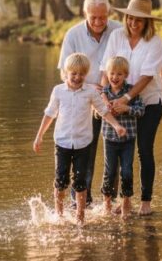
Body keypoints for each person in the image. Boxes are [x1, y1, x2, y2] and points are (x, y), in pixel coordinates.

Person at [33, 53, 127, 225]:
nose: (77, 77)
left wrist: (116, 126)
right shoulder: (58, 91)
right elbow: (49, 115)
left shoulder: (90, 92)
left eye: (81, 74)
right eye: (73, 74)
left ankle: (80, 217)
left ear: (86, 75)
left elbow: (102, 111)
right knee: (61, 180)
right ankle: (59, 216)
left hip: (83, 144)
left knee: (80, 181)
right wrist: (39, 136)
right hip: (62, 143)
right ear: (66, 73)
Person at [100, 0, 162, 216]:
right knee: (119, 153)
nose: (133, 23)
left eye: (139, 20)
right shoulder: (117, 36)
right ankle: (123, 201)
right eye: (130, 18)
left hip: (148, 102)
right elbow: (105, 69)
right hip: (117, 102)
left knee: (144, 150)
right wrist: (104, 98)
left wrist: (126, 99)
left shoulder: (155, 42)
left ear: (147, 22)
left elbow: (146, 77)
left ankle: (146, 201)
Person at [57, 0, 122, 208]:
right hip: (84, 101)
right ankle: (81, 201)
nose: (98, 22)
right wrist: (86, 87)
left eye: (102, 17)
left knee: (114, 151)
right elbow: (64, 73)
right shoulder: (73, 34)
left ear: (108, 14)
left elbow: (125, 65)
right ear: (85, 14)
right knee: (85, 151)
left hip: (112, 99)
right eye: (93, 17)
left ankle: (110, 198)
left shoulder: (118, 30)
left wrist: (109, 89)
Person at [99, 56, 144, 219]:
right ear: (107, 74)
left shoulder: (131, 92)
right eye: (112, 74)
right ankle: (107, 203)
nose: (115, 77)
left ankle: (126, 203)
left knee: (126, 171)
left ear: (125, 75)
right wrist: (106, 110)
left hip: (128, 139)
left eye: (119, 74)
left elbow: (141, 111)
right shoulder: (104, 92)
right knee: (109, 171)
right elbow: (98, 114)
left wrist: (127, 108)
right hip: (109, 139)